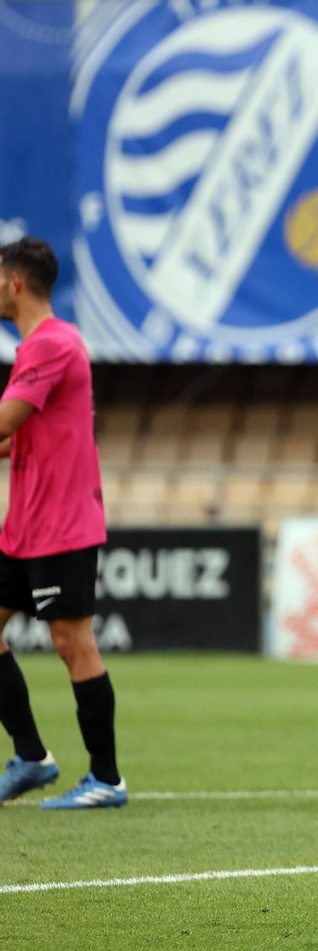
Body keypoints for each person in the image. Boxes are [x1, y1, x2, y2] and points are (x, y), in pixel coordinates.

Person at [0, 237, 122, 809]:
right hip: (26, 521)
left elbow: (5, 421)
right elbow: (17, 435)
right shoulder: (38, 346)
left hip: (61, 521)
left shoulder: (51, 343)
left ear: (15, 282)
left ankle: (106, 779)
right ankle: (30, 757)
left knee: (71, 641)